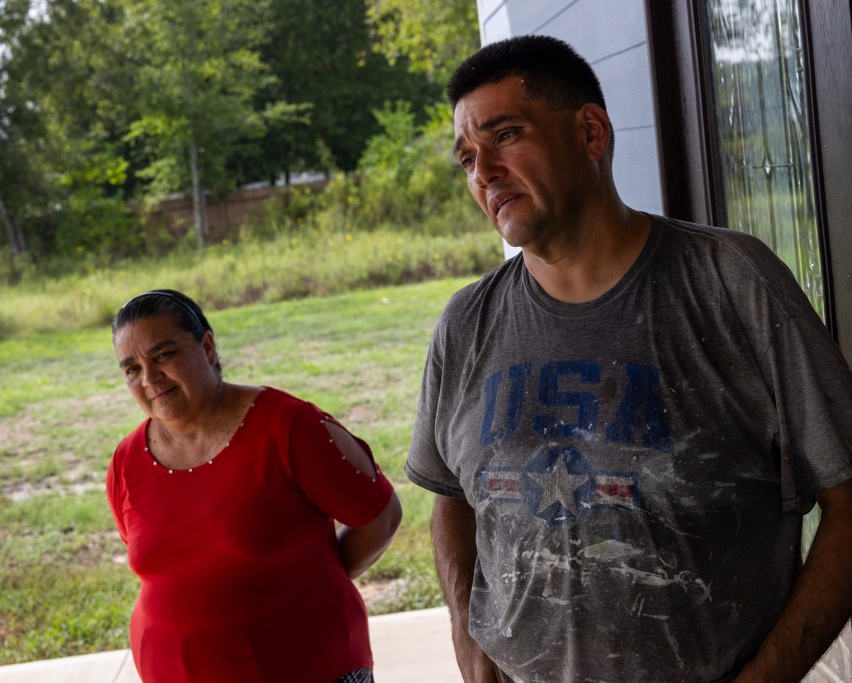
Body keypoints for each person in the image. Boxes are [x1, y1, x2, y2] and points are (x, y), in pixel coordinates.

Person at [405, 35, 852, 683]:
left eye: (505, 135)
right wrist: (467, 637)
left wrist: (771, 673)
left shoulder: (731, 283)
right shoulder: (465, 325)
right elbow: (449, 493)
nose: (483, 172)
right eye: (467, 157)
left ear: (591, 132)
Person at [107, 289, 402, 682]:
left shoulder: (288, 427)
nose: (150, 378)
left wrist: (307, 587)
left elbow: (379, 516)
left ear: (208, 347)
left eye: (163, 355)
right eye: (132, 369)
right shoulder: (127, 461)